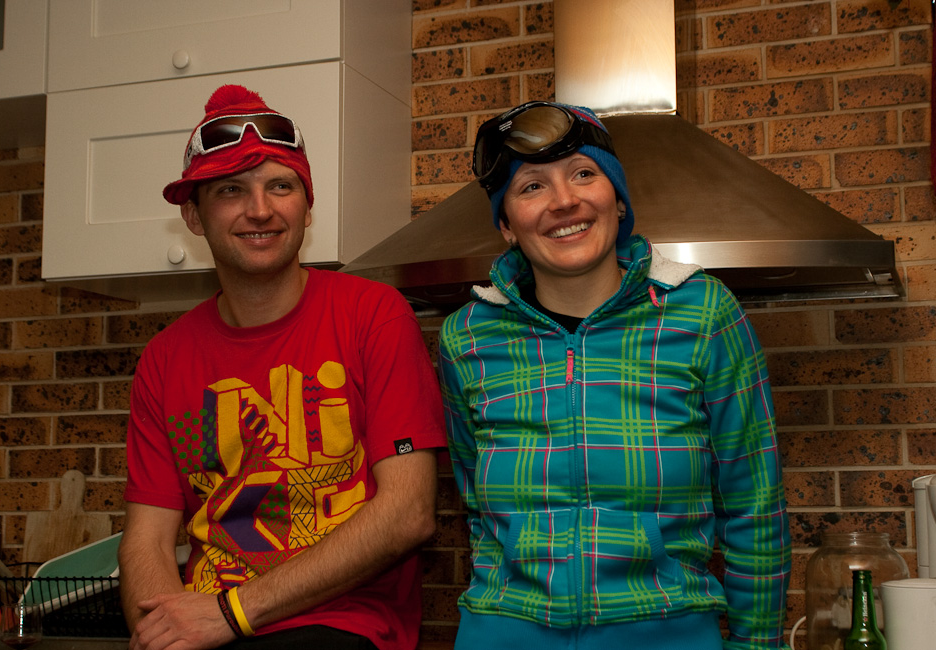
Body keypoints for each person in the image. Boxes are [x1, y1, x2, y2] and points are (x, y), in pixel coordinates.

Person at [437, 101, 791, 650]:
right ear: (506, 225)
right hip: (504, 632)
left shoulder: (703, 314)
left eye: (584, 174)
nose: (564, 201)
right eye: (531, 187)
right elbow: (476, 505)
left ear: (618, 199)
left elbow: (754, 505)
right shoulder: (467, 337)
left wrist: (757, 644)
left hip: (668, 631)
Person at [118, 84, 446, 650]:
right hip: (209, 626)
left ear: (307, 207)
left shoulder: (373, 315)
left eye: (280, 186)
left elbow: (408, 511)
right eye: (231, 190)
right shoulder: (165, 358)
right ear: (193, 216)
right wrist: (162, 635)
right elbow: (145, 540)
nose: (260, 209)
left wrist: (230, 613)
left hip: (340, 624)